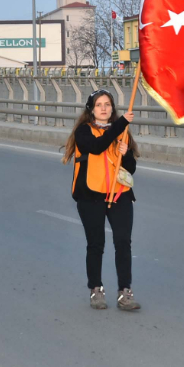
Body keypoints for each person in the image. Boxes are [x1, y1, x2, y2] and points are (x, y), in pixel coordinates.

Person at [61, 89, 140, 311]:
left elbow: (131, 168)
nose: (104, 108)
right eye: (99, 105)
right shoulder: (83, 132)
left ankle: (125, 292)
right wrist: (121, 124)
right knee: (96, 244)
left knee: (123, 242)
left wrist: (125, 153)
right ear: (91, 109)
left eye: (107, 104)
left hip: (119, 194)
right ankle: (96, 289)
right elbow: (97, 147)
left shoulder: (122, 132)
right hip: (91, 196)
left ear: (112, 108)